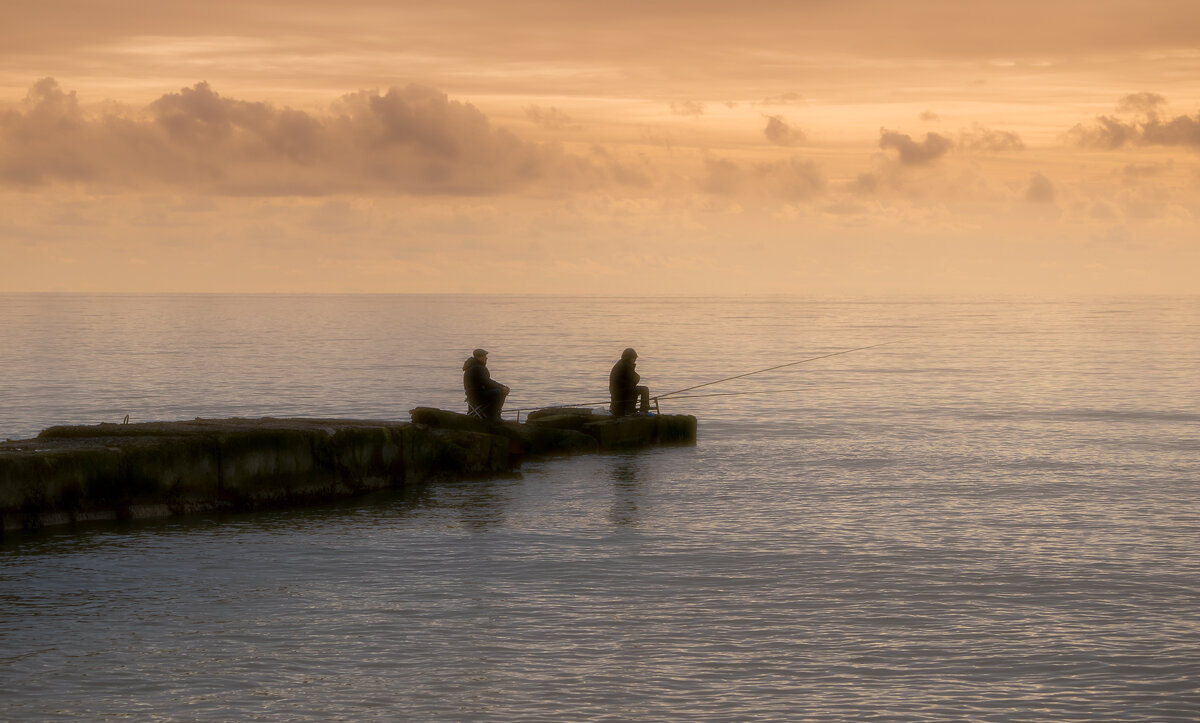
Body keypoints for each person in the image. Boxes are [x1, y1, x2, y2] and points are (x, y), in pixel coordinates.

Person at [463, 348, 509, 421]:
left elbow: (486, 382)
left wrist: (501, 386)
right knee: (498, 392)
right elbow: (487, 382)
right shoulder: (477, 368)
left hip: (472, 395)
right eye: (485, 356)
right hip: (477, 396)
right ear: (479, 357)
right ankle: (492, 415)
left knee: (499, 390)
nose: (486, 358)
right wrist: (502, 388)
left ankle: (492, 414)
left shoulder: (472, 366)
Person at [609, 347, 651, 416]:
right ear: (629, 358)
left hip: (619, 391)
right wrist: (632, 367)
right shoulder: (625, 366)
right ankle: (642, 411)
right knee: (644, 389)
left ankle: (639, 410)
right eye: (634, 359)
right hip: (620, 392)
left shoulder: (621, 364)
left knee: (636, 389)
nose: (634, 361)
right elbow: (635, 379)